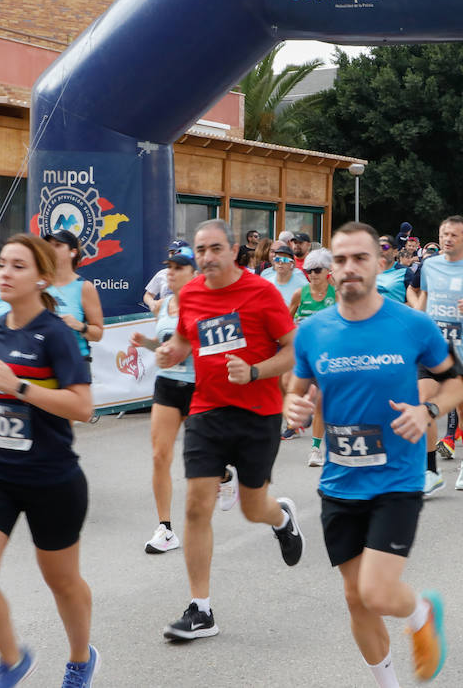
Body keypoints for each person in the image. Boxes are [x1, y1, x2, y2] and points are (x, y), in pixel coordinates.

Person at [284, 222, 463, 685]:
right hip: (339, 482)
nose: (348, 268)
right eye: (339, 260)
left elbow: (458, 382)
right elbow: (298, 390)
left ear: (379, 264)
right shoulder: (313, 332)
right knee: (355, 598)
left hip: (396, 481)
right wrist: (295, 407)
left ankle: (421, 611)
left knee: (377, 590)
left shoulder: (412, 325)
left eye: (359, 258)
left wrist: (428, 411)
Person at [0, 234, 99, 687]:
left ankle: (80, 658)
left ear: (42, 278)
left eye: (18, 266)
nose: (5, 273)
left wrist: (18, 385)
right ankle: (13, 659)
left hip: (51, 477)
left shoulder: (57, 335)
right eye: (1, 264)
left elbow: (82, 407)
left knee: (63, 582)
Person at [155, 219, 303, 641]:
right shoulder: (193, 293)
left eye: (215, 249)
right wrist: (170, 352)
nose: (207, 258)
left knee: (252, 508)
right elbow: (187, 339)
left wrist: (256, 371)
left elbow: (292, 350)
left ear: (233, 250)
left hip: (258, 413)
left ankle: (281, 518)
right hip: (207, 411)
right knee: (196, 506)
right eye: (201, 251)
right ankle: (201, 609)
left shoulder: (261, 294)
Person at [410, 216, 463, 493]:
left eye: (453, 235)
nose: (447, 239)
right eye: (443, 234)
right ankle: (430, 471)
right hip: (433, 353)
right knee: (424, 406)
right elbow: (423, 297)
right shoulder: (429, 265)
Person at [132, 247, 200, 555]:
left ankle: (225, 474)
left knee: (204, 458)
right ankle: (166, 529)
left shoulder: (204, 303)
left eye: (179, 267)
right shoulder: (165, 305)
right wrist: (145, 343)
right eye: (169, 266)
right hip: (167, 386)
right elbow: (163, 346)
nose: (170, 272)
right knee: (160, 455)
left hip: (200, 387)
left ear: (194, 273)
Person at [290, 247, 337, 467]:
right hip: (306, 355)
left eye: (317, 270)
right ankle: (302, 420)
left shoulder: (336, 293)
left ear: (328, 271)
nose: (312, 274)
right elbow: (284, 319)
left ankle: (316, 449)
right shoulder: (300, 293)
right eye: (309, 270)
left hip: (330, 355)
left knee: (323, 404)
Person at [42, 230, 105, 378]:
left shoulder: (84, 287)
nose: (51, 249)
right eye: (48, 245)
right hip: (42, 362)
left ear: (73, 252)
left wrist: (78, 325)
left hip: (74, 363)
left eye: (57, 245)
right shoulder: (38, 284)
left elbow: (98, 334)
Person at [143, 239, 191, 314]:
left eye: (176, 252)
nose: (172, 255)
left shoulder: (192, 275)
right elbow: (148, 295)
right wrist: (153, 304)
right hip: (166, 315)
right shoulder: (162, 274)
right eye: (171, 252)